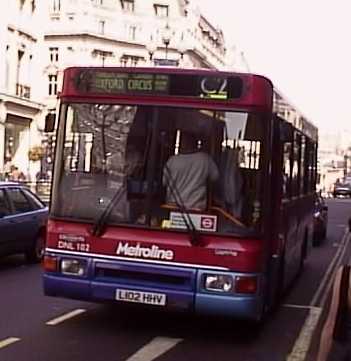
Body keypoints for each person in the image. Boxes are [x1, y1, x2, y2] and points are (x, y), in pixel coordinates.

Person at [163, 131, 219, 211]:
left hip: (172, 207)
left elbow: (164, 182)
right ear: (196, 144)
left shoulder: (172, 161)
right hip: (197, 209)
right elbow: (215, 178)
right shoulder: (205, 160)